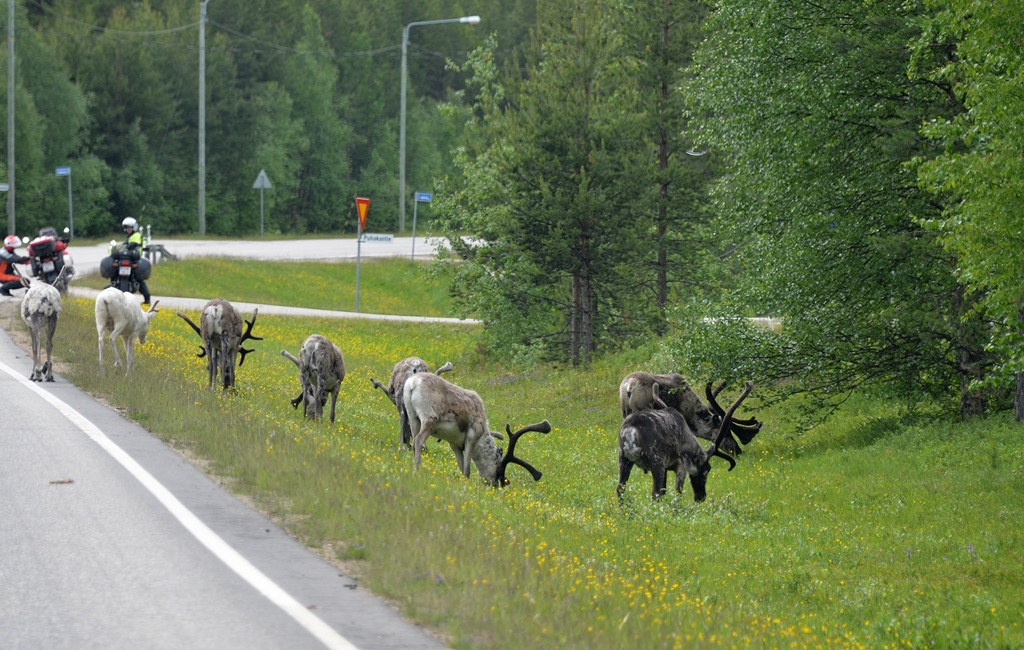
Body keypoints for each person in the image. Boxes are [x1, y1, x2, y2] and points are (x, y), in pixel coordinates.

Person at [121, 217, 151, 304]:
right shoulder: (129, 237)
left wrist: (131, 245)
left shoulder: (137, 235)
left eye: (130, 228)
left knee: (138, 279)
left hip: (135, 259)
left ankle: (147, 298)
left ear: (134, 228)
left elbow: (135, 244)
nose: (128, 229)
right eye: (127, 228)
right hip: (126, 258)